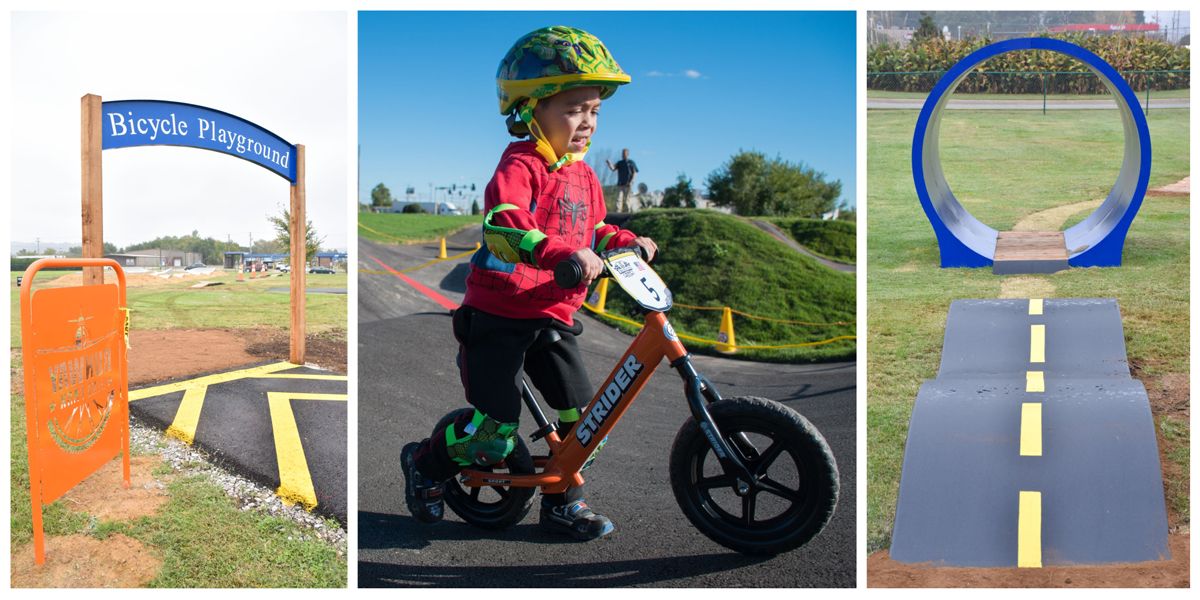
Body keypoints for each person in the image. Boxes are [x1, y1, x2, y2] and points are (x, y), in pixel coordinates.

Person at [401, 25, 657, 542]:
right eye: (572, 109)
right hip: (498, 317)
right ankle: (426, 467)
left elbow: (596, 231)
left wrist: (625, 242)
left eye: (594, 110)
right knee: (494, 433)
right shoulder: (521, 164)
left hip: (553, 317)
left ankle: (563, 505)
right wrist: (560, 253)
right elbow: (503, 224)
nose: (586, 123)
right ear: (531, 109)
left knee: (587, 425)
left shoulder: (585, 176)